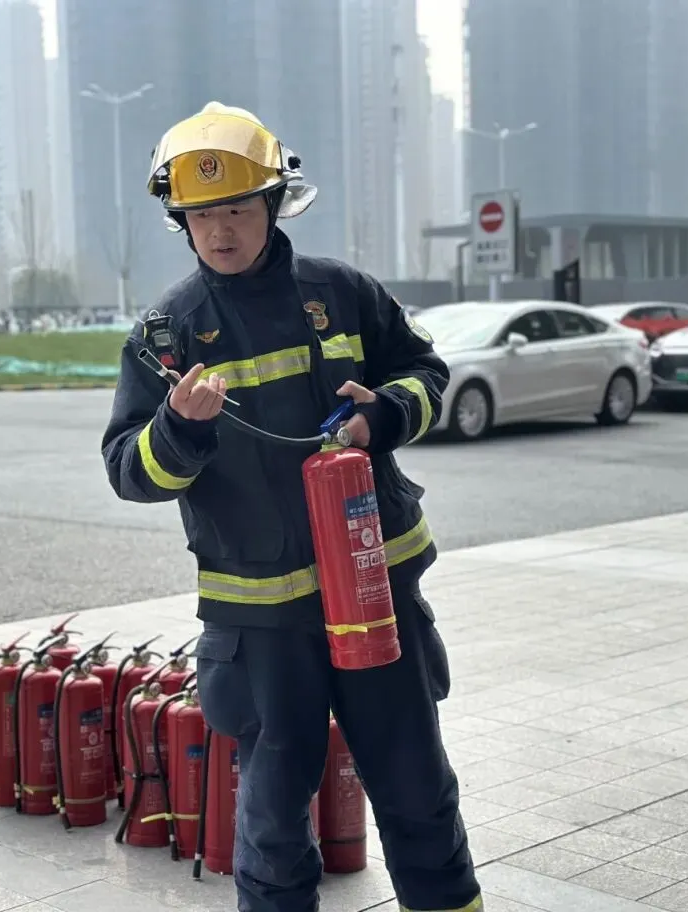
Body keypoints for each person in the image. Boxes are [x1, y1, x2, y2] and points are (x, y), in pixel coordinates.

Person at [102, 102, 482, 912]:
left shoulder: (343, 295)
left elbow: (427, 373)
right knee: (273, 826)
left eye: (237, 209)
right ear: (182, 221)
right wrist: (177, 430)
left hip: (375, 598)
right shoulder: (167, 334)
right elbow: (126, 470)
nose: (221, 231)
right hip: (261, 626)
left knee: (418, 791)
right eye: (201, 216)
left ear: (273, 205)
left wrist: (383, 416)